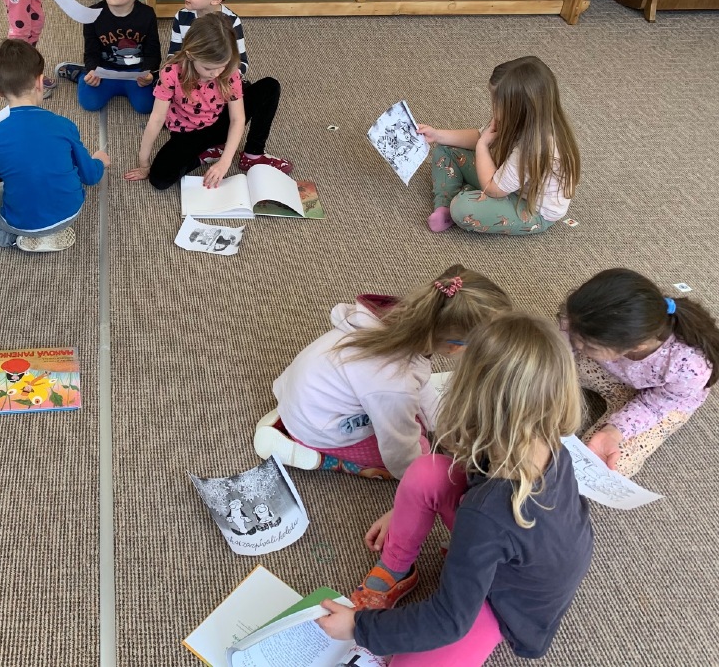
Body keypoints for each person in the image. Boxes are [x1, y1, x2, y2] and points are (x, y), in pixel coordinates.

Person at [317, 313, 593, 667]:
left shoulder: (485, 514)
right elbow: (467, 476)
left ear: (470, 394)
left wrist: (358, 627)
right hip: (536, 553)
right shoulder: (546, 441)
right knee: (427, 472)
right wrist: (403, 512)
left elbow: (448, 621)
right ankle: (396, 569)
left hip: (508, 606)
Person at [254, 266, 511, 479]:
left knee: (416, 417)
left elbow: (419, 384)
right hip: (319, 428)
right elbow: (399, 450)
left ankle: (291, 422)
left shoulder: (405, 323)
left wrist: (442, 424)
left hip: (309, 398)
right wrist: (422, 470)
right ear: (455, 348)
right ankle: (310, 452)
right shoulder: (394, 383)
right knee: (421, 456)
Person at [560, 268, 717, 477]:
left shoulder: (690, 367)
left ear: (637, 346)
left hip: (662, 401)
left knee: (604, 466)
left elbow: (655, 405)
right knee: (536, 365)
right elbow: (565, 343)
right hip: (617, 372)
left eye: (588, 345)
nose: (578, 345)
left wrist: (613, 431)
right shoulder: (585, 318)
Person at [0, 39, 107, 252]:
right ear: (40, 82)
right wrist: (99, 161)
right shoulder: (64, 124)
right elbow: (90, 176)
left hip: (22, 223)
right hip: (70, 214)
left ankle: (11, 240)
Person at [123, 12, 291, 190]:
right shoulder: (171, 73)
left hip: (221, 121)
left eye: (222, 66)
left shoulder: (229, 72)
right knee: (159, 179)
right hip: (187, 133)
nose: (216, 74)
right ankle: (206, 154)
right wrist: (144, 164)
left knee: (270, 86)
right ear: (190, 55)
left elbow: (237, 119)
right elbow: (156, 120)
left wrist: (225, 162)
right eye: (208, 68)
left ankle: (252, 155)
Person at [416, 55, 580, 235]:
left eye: (496, 102)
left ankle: (458, 202)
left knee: (463, 208)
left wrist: (482, 147)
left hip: (532, 208)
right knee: (445, 149)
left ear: (518, 109)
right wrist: (437, 134)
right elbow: (480, 136)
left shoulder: (534, 148)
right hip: (505, 180)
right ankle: (444, 208)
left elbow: (493, 189)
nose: (492, 106)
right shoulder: (520, 120)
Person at [54, 0, 161, 114]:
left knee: (146, 106)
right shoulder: (92, 13)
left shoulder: (147, 15)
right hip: (104, 72)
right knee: (90, 103)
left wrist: (149, 74)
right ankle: (79, 73)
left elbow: (153, 53)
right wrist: (92, 70)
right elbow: (91, 52)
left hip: (135, 74)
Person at [167, 0, 249, 76]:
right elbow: (173, 55)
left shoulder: (232, 21)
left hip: (220, 79)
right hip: (189, 78)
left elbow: (242, 63)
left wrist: (220, 77)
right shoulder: (181, 17)